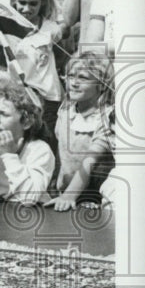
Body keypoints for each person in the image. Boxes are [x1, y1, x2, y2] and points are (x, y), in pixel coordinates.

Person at [0, 82, 56, 205]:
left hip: (30, 216)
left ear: (26, 122)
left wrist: (9, 156)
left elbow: (29, 199)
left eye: (4, 114)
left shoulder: (39, 150)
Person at [46, 55, 116, 211]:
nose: (74, 83)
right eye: (71, 76)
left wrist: (70, 195)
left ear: (101, 85)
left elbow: (89, 161)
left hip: (94, 197)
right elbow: (61, 152)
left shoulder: (106, 117)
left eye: (83, 78)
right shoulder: (65, 111)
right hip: (66, 192)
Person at [0, 0, 64, 134]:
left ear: (42, 3)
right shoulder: (5, 29)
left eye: (33, 4)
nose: (26, 9)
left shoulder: (51, 29)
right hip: (18, 96)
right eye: (22, 3)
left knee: (46, 135)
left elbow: (61, 56)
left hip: (48, 96)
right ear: (14, 1)